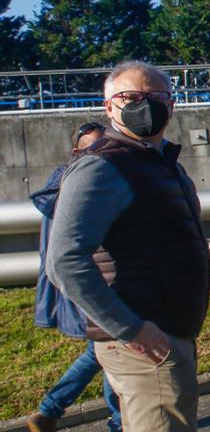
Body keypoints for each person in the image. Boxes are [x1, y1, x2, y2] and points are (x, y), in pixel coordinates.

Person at [46, 61, 210, 431]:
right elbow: (64, 261)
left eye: (156, 97)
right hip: (145, 342)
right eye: (131, 97)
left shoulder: (160, 162)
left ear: (171, 105)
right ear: (109, 107)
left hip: (168, 332)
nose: (146, 105)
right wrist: (130, 329)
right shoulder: (102, 167)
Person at [27, 122, 122, 432]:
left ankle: (56, 412)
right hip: (93, 281)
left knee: (107, 348)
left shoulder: (62, 184)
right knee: (107, 347)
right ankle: (54, 410)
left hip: (92, 280)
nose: (99, 153)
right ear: (76, 152)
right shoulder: (78, 187)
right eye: (93, 147)